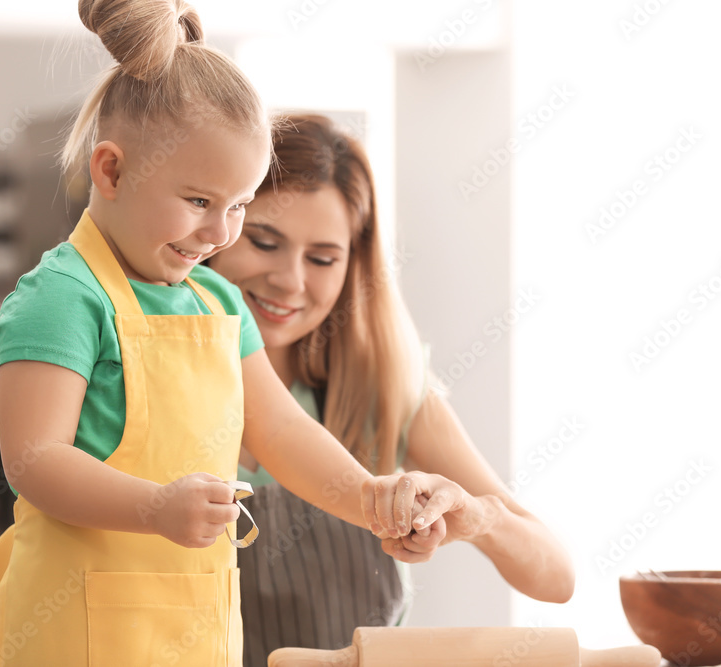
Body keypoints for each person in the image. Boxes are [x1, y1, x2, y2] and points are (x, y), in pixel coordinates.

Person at [0, 4, 446, 666]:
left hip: (196, 633)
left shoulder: (216, 299)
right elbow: (33, 462)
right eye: (199, 202)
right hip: (73, 635)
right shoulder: (63, 299)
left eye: (239, 205)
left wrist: (367, 498)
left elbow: (280, 432)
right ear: (110, 170)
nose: (222, 233)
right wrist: (155, 506)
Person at [205, 114, 576, 666]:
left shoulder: (388, 390)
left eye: (323, 258)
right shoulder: (155, 374)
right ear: (217, 227)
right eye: (264, 242)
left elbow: (556, 577)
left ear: (354, 267)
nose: (291, 280)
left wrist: (479, 517)